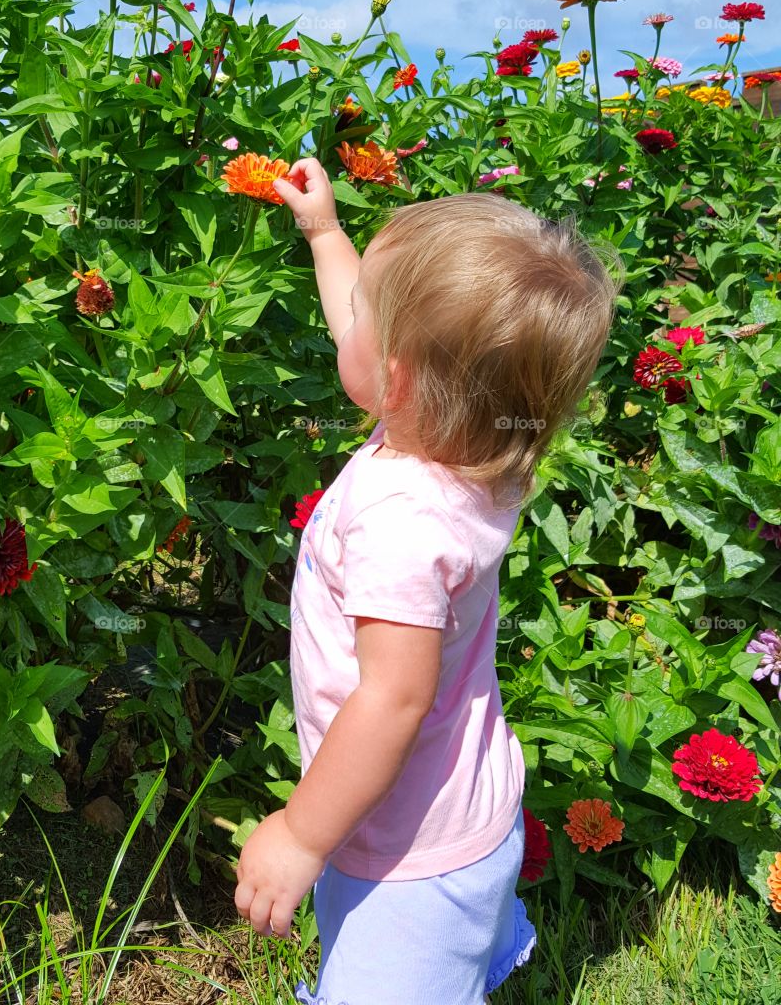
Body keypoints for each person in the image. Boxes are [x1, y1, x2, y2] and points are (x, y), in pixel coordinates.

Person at [234, 158, 623, 1004]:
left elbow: (394, 700)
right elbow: (359, 329)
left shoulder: (401, 522)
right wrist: (325, 233)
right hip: (455, 806)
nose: (347, 325)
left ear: (398, 376)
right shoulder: (471, 451)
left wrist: (302, 834)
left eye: (365, 317)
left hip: (412, 853)